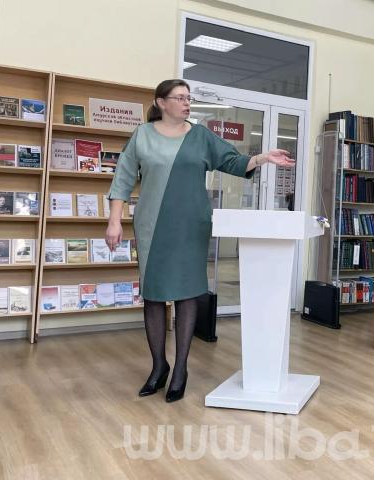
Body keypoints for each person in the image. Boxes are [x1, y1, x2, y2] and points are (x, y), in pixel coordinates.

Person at [105, 79, 295, 403]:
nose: (186, 103)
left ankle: (180, 368)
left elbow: (233, 162)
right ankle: (159, 366)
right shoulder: (142, 135)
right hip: (152, 225)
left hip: (192, 226)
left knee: (187, 293)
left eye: (188, 98)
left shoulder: (201, 136)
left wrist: (263, 158)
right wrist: (114, 221)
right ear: (161, 102)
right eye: (180, 97)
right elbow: (122, 179)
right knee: (153, 295)